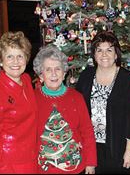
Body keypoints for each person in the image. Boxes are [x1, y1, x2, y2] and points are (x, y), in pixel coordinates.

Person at [76, 31, 130, 174]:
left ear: (116, 54)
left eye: (109, 50)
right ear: (94, 54)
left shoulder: (126, 79)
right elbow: (78, 112)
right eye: (99, 50)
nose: (104, 55)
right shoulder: (86, 76)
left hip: (117, 147)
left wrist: (129, 150)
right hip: (90, 147)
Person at [33, 45, 97, 174]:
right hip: (44, 169)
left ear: (64, 73)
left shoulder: (76, 97)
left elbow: (87, 131)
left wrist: (90, 162)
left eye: (58, 69)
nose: (53, 74)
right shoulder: (33, 98)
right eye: (48, 70)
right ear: (41, 75)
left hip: (75, 166)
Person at [0, 31, 37, 173]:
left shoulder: (26, 80)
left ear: (26, 58)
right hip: (8, 165)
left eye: (20, 56)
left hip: (31, 158)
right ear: (1, 60)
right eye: (9, 56)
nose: (15, 62)